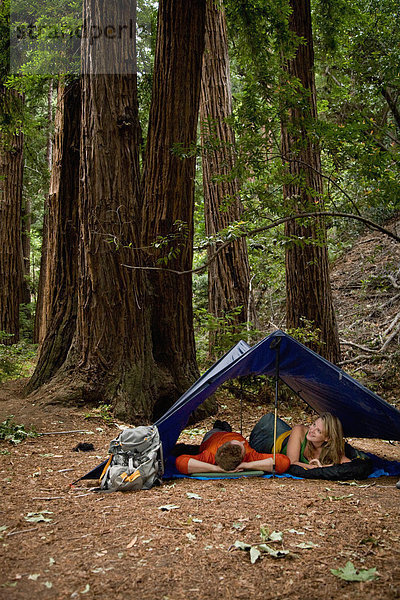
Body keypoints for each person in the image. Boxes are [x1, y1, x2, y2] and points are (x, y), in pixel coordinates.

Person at [175, 421, 291, 475]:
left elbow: (181, 462)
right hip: (213, 436)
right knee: (217, 429)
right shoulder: (250, 456)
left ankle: (223, 426)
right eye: (242, 444)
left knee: (222, 428)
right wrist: (216, 469)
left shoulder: (209, 456)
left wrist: (245, 465)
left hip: (216, 437)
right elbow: (283, 461)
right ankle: (220, 426)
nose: (242, 441)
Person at [250, 412, 350, 470]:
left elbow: (349, 464)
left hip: (286, 434)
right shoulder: (299, 430)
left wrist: (327, 466)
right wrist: (318, 468)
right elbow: (292, 462)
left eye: (318, 431)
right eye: (314, 424)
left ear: (327, 438)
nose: (312, 430)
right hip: (268, 438)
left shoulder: (330, 449)